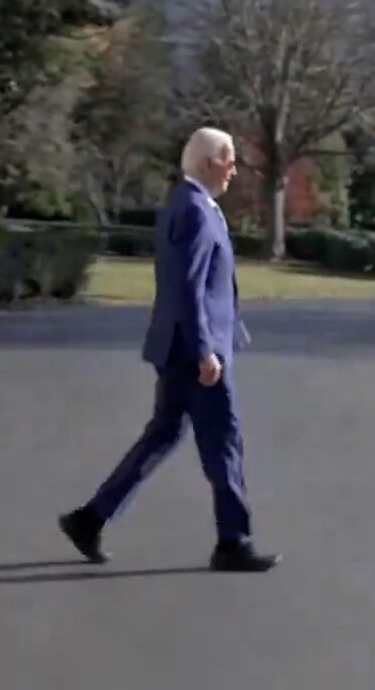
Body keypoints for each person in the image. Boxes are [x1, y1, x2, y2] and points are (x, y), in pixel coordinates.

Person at [58, 127, 281, 573]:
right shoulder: (196, 211)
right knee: (223, 442)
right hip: (195, 354)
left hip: (181, 347)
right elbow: (188, 288)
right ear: (207, 164)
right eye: (229, 160)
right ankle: (232, 541)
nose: (235, 169)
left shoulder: (191, 205)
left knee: (162, 434)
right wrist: (205, 351)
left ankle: (90, 518)